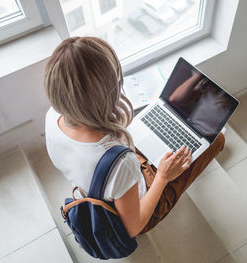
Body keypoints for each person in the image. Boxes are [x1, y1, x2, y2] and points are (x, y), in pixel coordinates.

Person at [44, 36, 225, 237]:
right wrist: (163, 177)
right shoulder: (122, 162)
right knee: (217, 140)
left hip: (105, 181)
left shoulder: (53, 116)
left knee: (161, 122)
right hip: (134, 206)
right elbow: (133, 227)